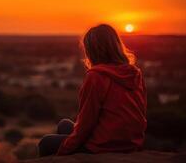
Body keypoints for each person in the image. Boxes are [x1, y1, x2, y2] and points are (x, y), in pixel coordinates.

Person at [38, 24, 147, 156]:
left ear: (92, 50)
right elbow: (141, 113)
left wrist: (64, 151)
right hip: (131, 143)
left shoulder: (96, 76)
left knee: (46, 143)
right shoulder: (135, 73)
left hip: (105, 145)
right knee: (64, 124)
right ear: (116, 45)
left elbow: (86, 123)